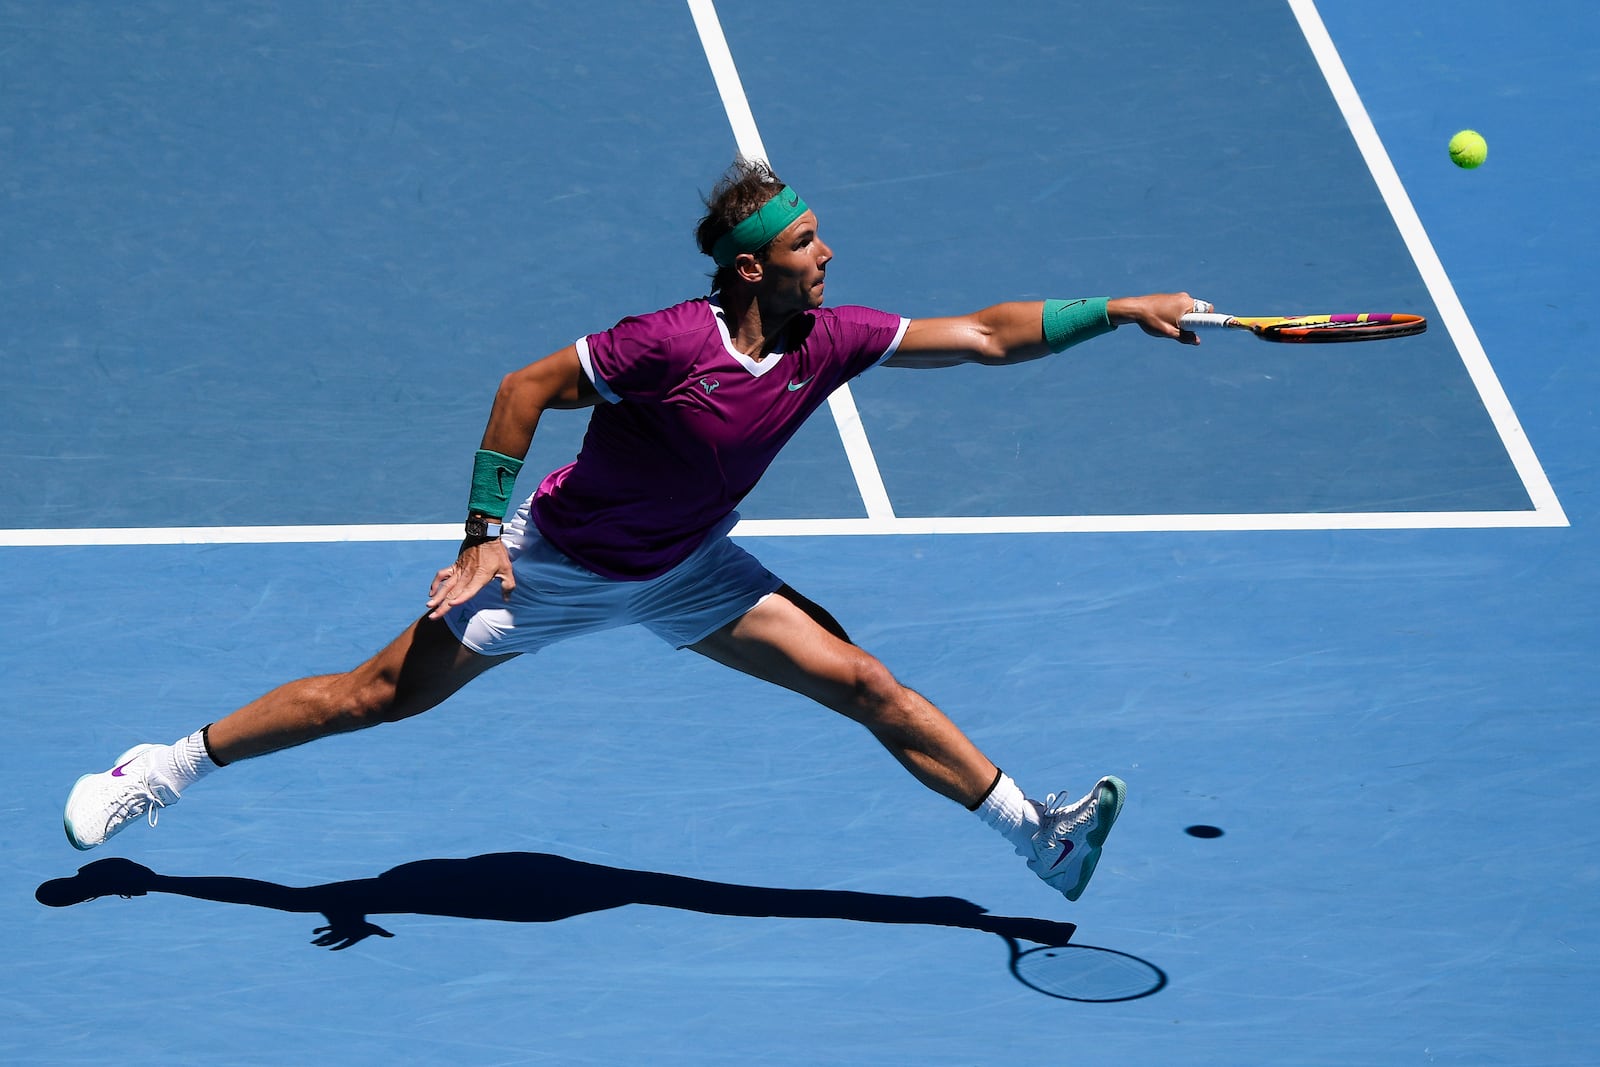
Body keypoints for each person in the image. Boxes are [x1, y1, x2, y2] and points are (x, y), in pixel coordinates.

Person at [63, 159, 1207, 903]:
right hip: (557, 564)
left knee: (863, 679)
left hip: (687, 570)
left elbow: (988, 336)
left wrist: (1115, 309)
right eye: (809, 242)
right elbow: (521, 388)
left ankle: (1039, 838)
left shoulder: (834, 338)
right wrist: (479, 538)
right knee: (377, 695)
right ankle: (159, 768)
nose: (829, 254)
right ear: (753, 266)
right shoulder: (664, 344)